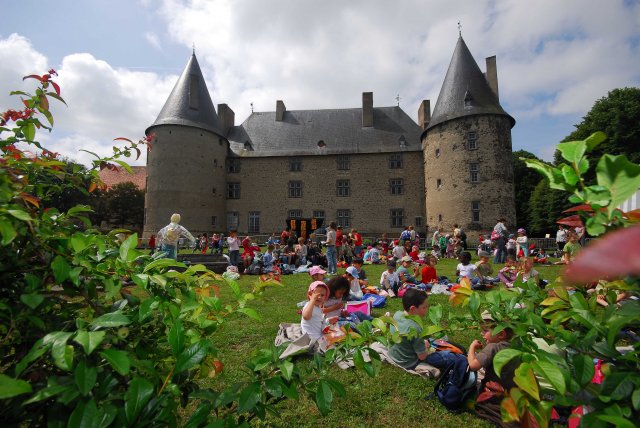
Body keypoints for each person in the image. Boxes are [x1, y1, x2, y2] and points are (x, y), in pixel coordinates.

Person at [468, 313, 518, 425]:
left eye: (485, 331)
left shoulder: (493, 348)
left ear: (501, 334)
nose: (482, 333)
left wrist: (472, 347)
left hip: (492, 397)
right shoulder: (517, 347)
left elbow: (472, 366)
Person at [388, 288, 431, 370]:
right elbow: (422, 357)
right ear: (413, 309)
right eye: (424, 307)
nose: (426, 310)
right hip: (407, 363)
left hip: (393, 356)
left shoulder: (397, 314)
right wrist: (426, 348)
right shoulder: (416, 328)